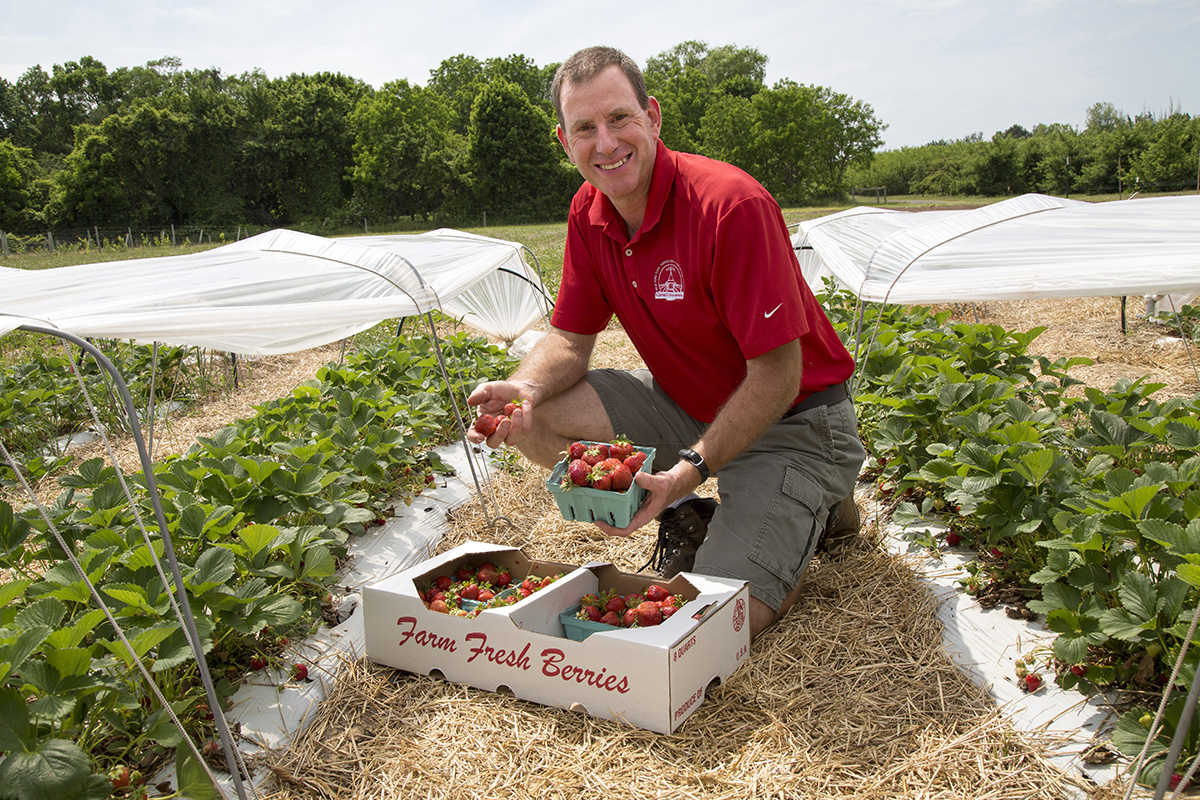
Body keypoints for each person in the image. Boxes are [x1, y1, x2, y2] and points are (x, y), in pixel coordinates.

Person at [466, 45, 866, 639]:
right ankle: (690, 506)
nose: (605, 143)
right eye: (585, 128)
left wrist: (689, 470)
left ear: (651, 116)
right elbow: (570, 340)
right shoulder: (588, 211)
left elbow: (778, 375)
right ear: (564, 141)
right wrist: (522, 387)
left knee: (713, 628)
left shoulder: (730, 206)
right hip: (690, 404)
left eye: (619, 118)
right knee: (540, 407)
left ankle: (814, 504)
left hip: (795, 423)